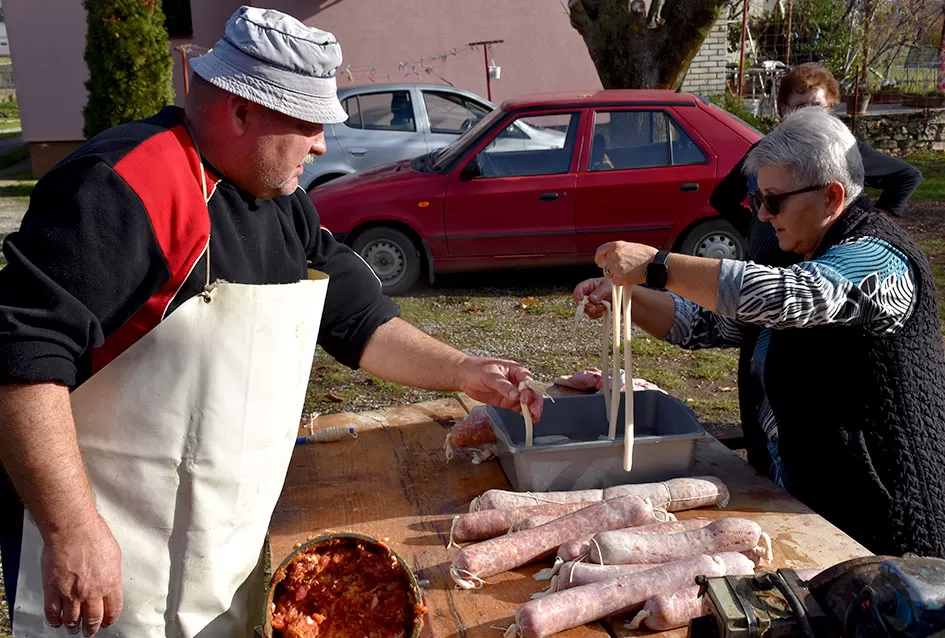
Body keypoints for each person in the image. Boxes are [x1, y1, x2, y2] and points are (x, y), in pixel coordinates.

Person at [0, 7, 543, 637]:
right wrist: (71, 528)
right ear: (240, 111)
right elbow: (21, 356)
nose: (321, 145)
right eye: (310, 123)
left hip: (212, 537)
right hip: (99, 533)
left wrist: (465, 370)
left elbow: (358, 322)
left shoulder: (283, 205)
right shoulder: (123, 186)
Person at [574, 107, 945, 560]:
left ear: (831, 197)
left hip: (887, 530)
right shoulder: (803, 253)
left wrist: (658, 266)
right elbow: (706, 322)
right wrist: (625, 297)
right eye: (757, 201)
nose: (764, 216)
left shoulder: (880, 257)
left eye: (774, 200)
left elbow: (793, 297)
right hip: (808, 509)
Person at [711, 62, 924, 267]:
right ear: (784, 109)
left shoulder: (842, 151)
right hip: (765, 264)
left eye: (817, 106)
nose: (809, 114)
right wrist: (753, 227)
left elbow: (906, 176)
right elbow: (722, 198)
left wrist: (875, 221)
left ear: (830, 108)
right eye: (801, 106)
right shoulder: (766, 153)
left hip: (816, 265)